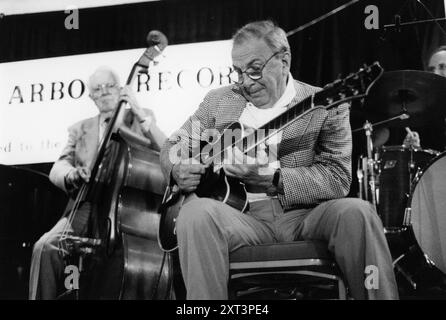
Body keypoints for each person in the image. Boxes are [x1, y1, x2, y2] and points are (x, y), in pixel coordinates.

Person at [160, 20, 399, 300]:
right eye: (238, 72)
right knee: (194, 213)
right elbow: (174, 143)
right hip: (241, 218)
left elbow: (338, 178)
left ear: (284, 60)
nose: (246, 82)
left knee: (358, 212)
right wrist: (176, 170)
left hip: (305, 216)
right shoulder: (219, 102)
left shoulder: (327, 104)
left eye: (254, 69)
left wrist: (272, 180)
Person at [29, 66, 167, 300]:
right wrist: (71, 174)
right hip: (87, 205)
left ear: (120, 88)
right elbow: (58, 167)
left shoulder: (141, 116)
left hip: (127, 210)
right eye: (97, 89)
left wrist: (136, 108)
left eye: (109, 86)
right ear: (91, 97)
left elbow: (166, 151)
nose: (104, 92)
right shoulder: (80, 128)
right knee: (45, 247)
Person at [403, 45, 446, 148]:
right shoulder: (426, 113)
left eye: (442, 67)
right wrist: (417, 148)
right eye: (431, 69)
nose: (435, 73)